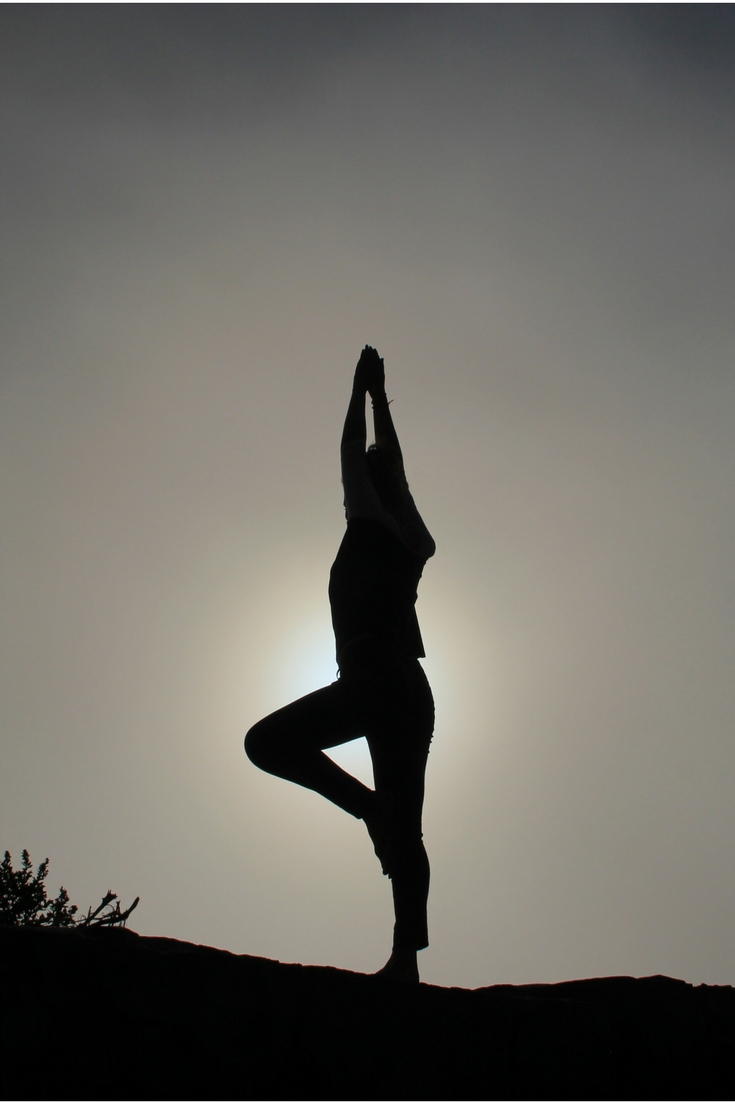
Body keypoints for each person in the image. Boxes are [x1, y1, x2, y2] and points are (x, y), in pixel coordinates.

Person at [245, 345, 436, 983]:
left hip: (374, 673)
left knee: (266, 743)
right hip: (412, 688)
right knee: (409, 823)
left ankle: (368, 810)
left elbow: (358, 455)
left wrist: (361, 394)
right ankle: (405, 960)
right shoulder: (413, 537)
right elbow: (395, 467)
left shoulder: (370, 519)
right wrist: (382, 399)